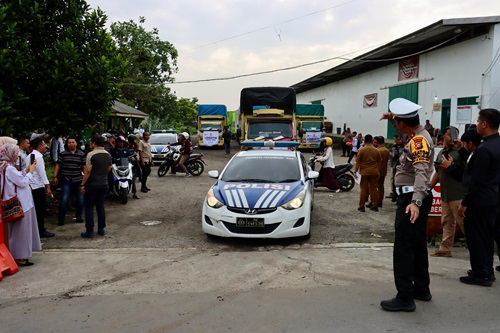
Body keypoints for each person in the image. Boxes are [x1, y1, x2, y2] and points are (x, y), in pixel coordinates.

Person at [379, 98, 435, 312]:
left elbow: (421, 171)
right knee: (418, 244)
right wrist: (393, 119)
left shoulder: (418, 141)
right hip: (415, 197)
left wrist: (416, 202)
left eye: (398, 123)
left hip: (412, 199)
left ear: (405, 123)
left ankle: (405, 297)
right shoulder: (418, 134)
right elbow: (405, 133)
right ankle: (421, 289)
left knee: (403, 248)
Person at [458, 108, 500, 287]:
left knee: (476, 237)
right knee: (487, 236)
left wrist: (465, 203)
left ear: (484, 124)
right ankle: (487, 270)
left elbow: (476, 180)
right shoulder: (496, 144)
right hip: (493, 199)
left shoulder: (483, 149)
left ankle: (480, 273)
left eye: (478, 121)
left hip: (479, 200)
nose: (476, 124)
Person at [0, 143, 41, 266]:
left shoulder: (6, 167)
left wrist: (27, 170)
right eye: (15, 152)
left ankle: (20, 255)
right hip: (21, 203)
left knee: (20, 231)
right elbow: (22, 182)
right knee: (21, 231)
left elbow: (18, 178)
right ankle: (19, 256)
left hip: (21, 202)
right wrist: (31, 172)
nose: (17, 155)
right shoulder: (9, 168)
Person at [429, 127, 465, 257]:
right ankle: (445, 248)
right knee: (447, 222)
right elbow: (438, 173)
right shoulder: (442, 152)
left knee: (463, 222)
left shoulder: (460, 152)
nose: (452, 138)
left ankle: (477, 250)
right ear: (443, 136)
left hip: (457, 194)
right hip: (446, 194)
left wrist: (450, 167)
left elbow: (464, 172)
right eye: (449, 135)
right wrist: (430, 188)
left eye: (454, 135)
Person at [80, 133, 112, 238]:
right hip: (104, 184)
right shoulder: (108, 154)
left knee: (89, 207)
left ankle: (89, 231)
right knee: (100, 206)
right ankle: (101, 229)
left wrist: (82, 184)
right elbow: (108, 169)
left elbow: (88, 171)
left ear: (93, 143)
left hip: (92, 184)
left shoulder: (91, 154)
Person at [53, 136, 86, 226]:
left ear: (76, 143)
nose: (71, 144)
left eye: (73, 142)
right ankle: (61, 219)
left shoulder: (81, 154)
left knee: (80, 200)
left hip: (78, 180)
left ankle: (79, 217)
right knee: (64, 199)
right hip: (66, 180)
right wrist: (55, 176)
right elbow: (58, 165)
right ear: (67, 144)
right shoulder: (63, 154)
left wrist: (85, 180)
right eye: (69, 142)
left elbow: (84, 167)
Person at [27, 137, 55, 238]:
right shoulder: (38, 157)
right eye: (43, 145)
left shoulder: (30, 156)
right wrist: (48, 187)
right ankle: (40, 230)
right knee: (40, 210)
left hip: (31, 186)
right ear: (39, 146)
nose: (45, 147)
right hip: (38, 186)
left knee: (36, 209)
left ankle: (36, 230)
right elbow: (42, 174)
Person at [354, 134, 381, 212]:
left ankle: (361, 206)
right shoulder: (376, 150)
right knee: (374, 189)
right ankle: (375, 205)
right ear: (372, 141)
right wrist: (378, 172)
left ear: (364, 140)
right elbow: (379, 163)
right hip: (374, 171)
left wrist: (355, 171)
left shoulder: (362, 150)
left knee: (363, 189)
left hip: (364, 172)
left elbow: (358, 162)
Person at [372, 136, 390, 208]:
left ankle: (375, 201)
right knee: (381, 186)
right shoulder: (386, 150)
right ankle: (380, 201)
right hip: (384, 170)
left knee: (374, 187)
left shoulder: (377, 150)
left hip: (377, 170)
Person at [387, 134, 404, 202]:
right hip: (403, 166)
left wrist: (390, 154)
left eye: (395, 138)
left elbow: (394, 155)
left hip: (396, 165)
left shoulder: (395, 147)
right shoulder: (405, 147)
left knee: (395, 181)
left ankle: (395, 195)